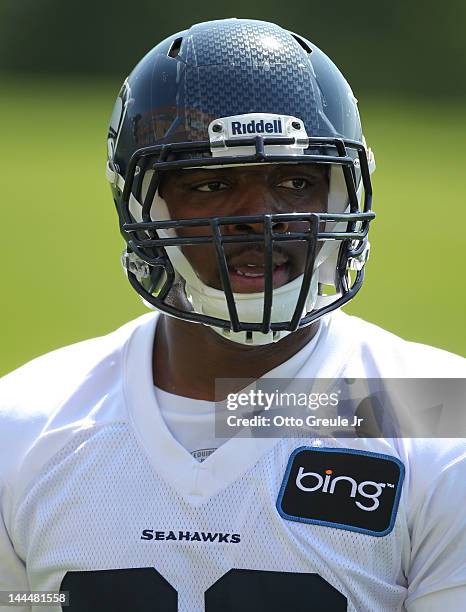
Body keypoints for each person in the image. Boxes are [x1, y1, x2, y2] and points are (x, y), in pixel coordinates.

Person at [0, 18, 465, 612]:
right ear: (145, 204)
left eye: (296, 181)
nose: (260, 217)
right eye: (212, 184)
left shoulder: (443, 414)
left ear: (343, 196)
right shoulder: (25, 425)